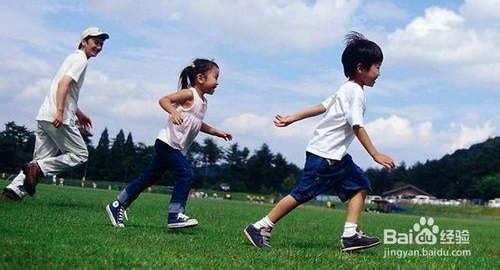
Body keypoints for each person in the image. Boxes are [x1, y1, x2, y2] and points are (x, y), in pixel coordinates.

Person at [244, 32, 396, 252]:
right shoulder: (355, 93)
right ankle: (260, 227)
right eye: (377, 67)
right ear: (361, 68)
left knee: (360, 184)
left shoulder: (346, 89)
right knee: (302, 194)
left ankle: (350, 235)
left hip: (336, 157)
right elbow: (357, 125)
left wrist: (293, 117)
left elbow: (323, 106)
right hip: (325, 156)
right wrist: (375, 154)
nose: (379, 73)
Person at [106, 59, 232, 229]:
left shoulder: (203, 102)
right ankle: (175, 215)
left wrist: (217, 132)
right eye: (215, 77)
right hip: (167, 144)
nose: (217, 82)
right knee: (186, 173)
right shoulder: (189, 94)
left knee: (147, 179)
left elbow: (196, 123)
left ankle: (118, 205)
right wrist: (173, 111)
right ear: (201, 78)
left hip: (174, 147)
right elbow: (164, 100)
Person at [0, 27, 109, 201]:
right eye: (96, 42)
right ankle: (37, 169)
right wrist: (60, 111)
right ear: (84, 42)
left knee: (40, 160)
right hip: (58, 117)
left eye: (101, 44)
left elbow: (65, 88)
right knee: (80, 154)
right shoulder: (81, 60)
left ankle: (11, 193)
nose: (99, 47)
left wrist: (78, 113)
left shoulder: (72, 57)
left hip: (45, 114)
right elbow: (63, 84)